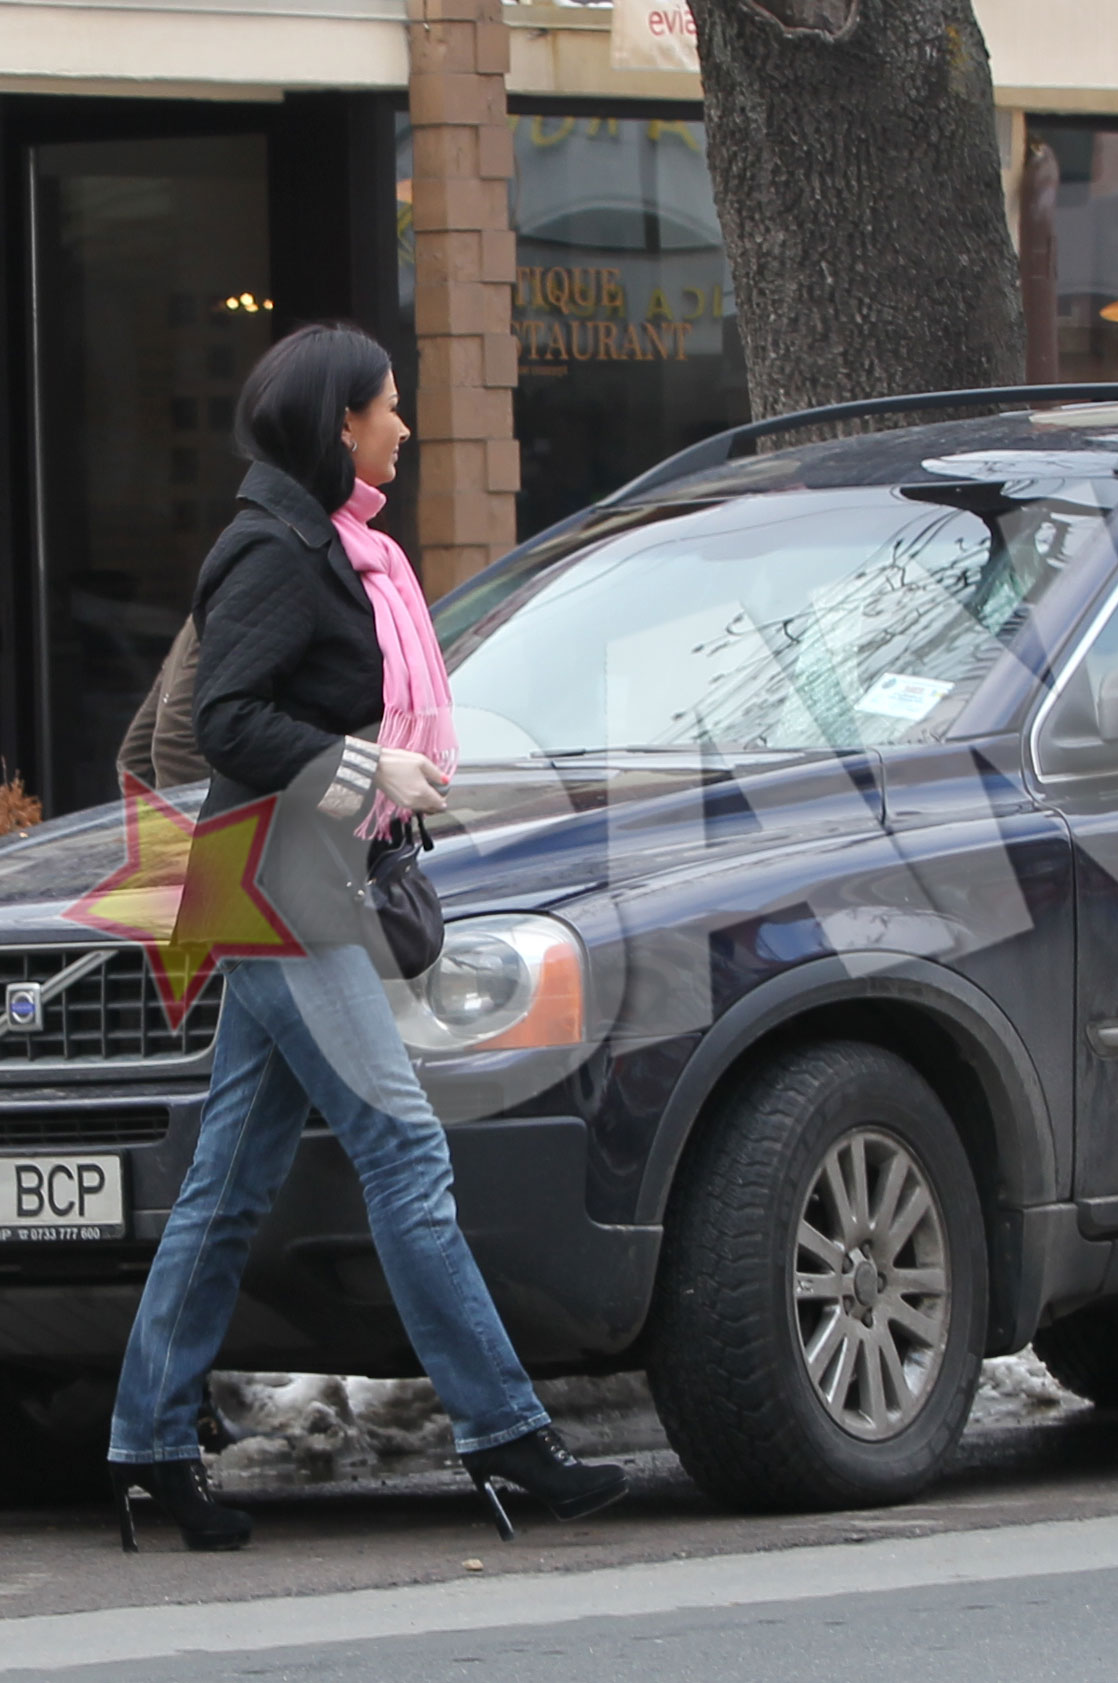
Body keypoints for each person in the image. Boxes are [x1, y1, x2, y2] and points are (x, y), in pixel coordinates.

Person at [105, 323, 628, 1553]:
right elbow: (226, 720)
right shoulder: (277, 553)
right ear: (337, 422)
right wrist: (359, 768)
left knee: (226, 1191)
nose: (405, 426)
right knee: (407, 1157)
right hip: (287, 896)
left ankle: (147, 1448)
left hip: (285, 887)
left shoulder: (330, 549)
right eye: (389, 407)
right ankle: (503, 1431)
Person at [116, 618, 208, 792]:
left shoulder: (200, 616)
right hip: (205, 810)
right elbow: (174, 747)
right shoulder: (223, 608)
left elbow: (134, 757)